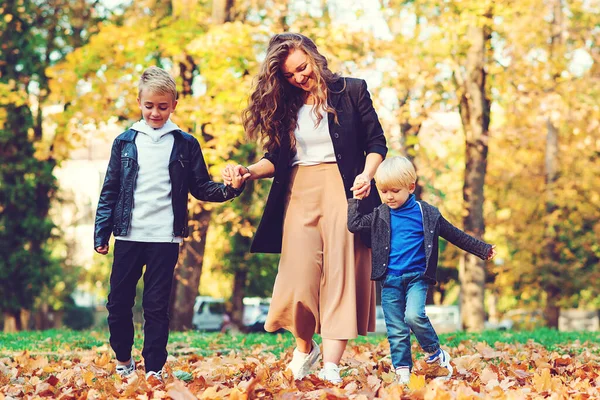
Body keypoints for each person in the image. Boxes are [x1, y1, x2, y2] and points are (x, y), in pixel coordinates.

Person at [222, 33, 387, 384]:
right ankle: (304, 348)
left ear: (314, 56)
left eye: (302, 68)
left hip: (344, 188)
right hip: (298, 190)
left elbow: (377, 142)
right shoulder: (286, 106)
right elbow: (275, 157)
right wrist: (247, 172)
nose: (299, 77)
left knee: (340, 275)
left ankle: (331, 365)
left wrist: (367, 175)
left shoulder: (352, 90)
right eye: (289, 75)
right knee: (297, 276)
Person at [94, 66, 244, 383]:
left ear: (173, 104)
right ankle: (123, 360)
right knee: (118, 303)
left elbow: (201, 186)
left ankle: (153, 369)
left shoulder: (185, 144)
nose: (156, 112)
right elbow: (110, 190)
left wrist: (232, 188)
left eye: (163, 106)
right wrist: (101, 232)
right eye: (149, 106)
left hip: (165, 238)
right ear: (139, 102)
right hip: (128, 235)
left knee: (156, 307)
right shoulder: (125, 142)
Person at [347, 156, 497, 385]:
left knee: (414, 315)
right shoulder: (380, 214)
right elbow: (354, 225)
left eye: (394, 191)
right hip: (390, 280)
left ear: (410, 187)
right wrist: (356, 200)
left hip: (417, 278)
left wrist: (483, 249)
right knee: (396, 329)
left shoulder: (427, 214)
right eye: (383, 191)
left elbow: (455, 234)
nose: (389, 196)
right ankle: (403, 371)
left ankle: (435, 353)